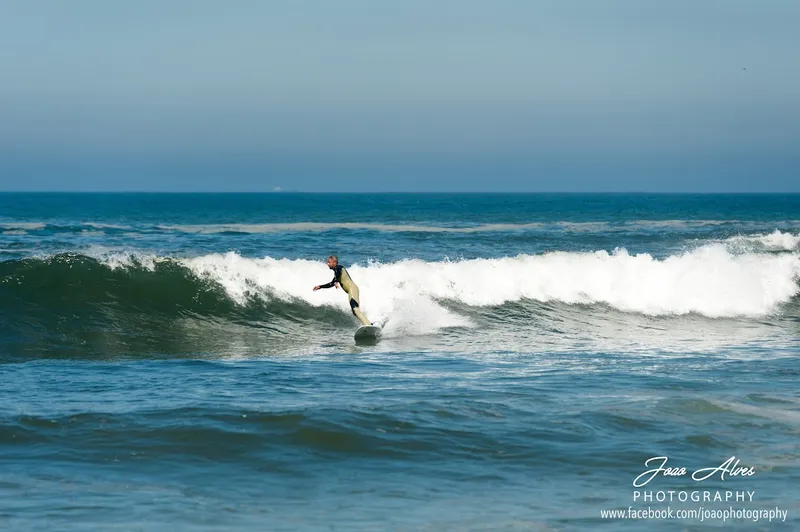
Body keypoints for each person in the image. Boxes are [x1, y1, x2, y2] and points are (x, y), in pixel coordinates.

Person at [313, 255, 372, 326]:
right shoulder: (336, 271)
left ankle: (368, 325)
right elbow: (332, 283)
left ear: (334, 263)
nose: (327, 263)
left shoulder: (339, 268)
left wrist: (333, 282)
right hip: (352, 290)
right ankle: (369, 323)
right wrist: (323, 286)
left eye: (329, 262)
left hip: (352, 289)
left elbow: (335, 278)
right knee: (354, 311)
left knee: (355, 310)